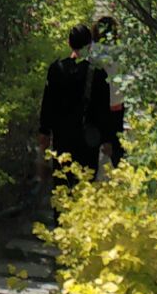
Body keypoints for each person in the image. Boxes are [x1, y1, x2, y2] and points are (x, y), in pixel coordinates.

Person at [38, 23, 112, 191]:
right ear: (90, 45)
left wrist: (44, 132)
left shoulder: (56, 69)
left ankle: (60, 217)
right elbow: (104, 110)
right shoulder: (98, 73)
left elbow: (48, 104)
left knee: (62, 187)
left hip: (62, 140)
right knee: (85, 188)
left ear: (69, 43)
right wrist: (107, 140)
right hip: (88, 141)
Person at [93, 15, 126, 167]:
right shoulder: (120, 50)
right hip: (117, 102)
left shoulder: (93, 51)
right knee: (117, 140)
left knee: (96, 141)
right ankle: (119, 171)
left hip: (98, 103)